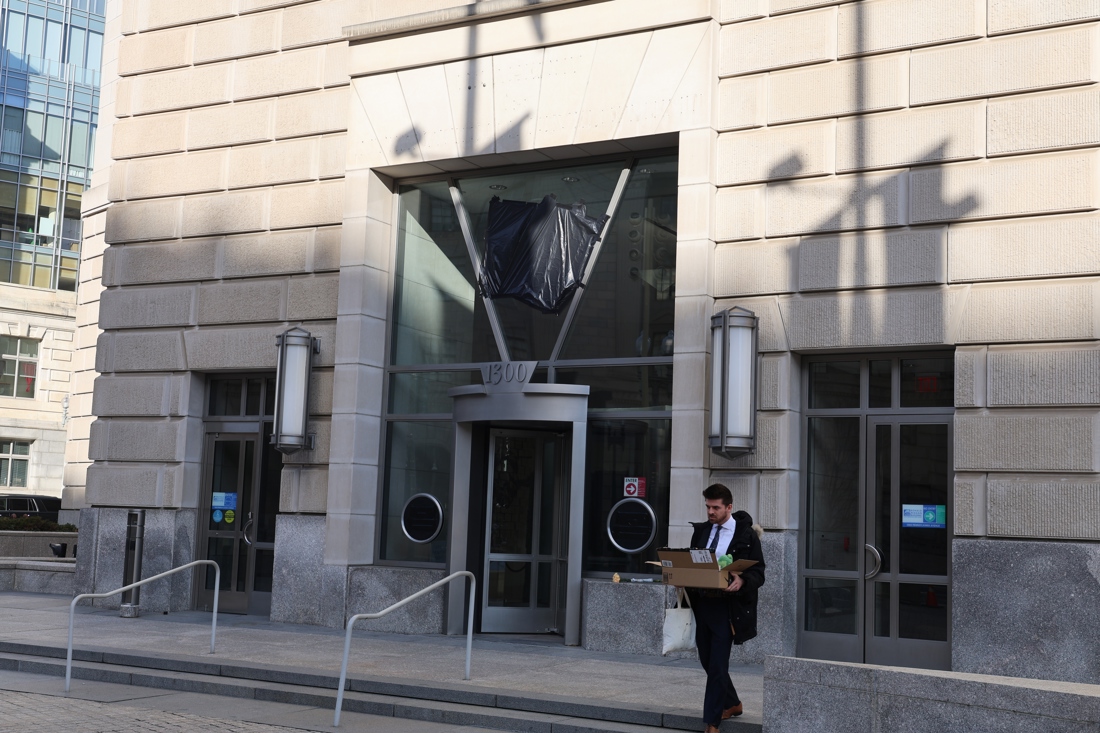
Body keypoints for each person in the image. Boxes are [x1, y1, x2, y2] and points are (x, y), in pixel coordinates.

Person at [686, 483, 765, 733]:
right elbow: (693, 564)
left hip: (727, 608)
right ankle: (732, 703)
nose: (710, 512)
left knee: (718, 664)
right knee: (708, 660)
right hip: (702, 603)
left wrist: (743, 581)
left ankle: (712, 723)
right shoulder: (702, 531)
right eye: (708, 507)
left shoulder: (746, 535)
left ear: (729, 507)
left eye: (716, 508)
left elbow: (758, 572)